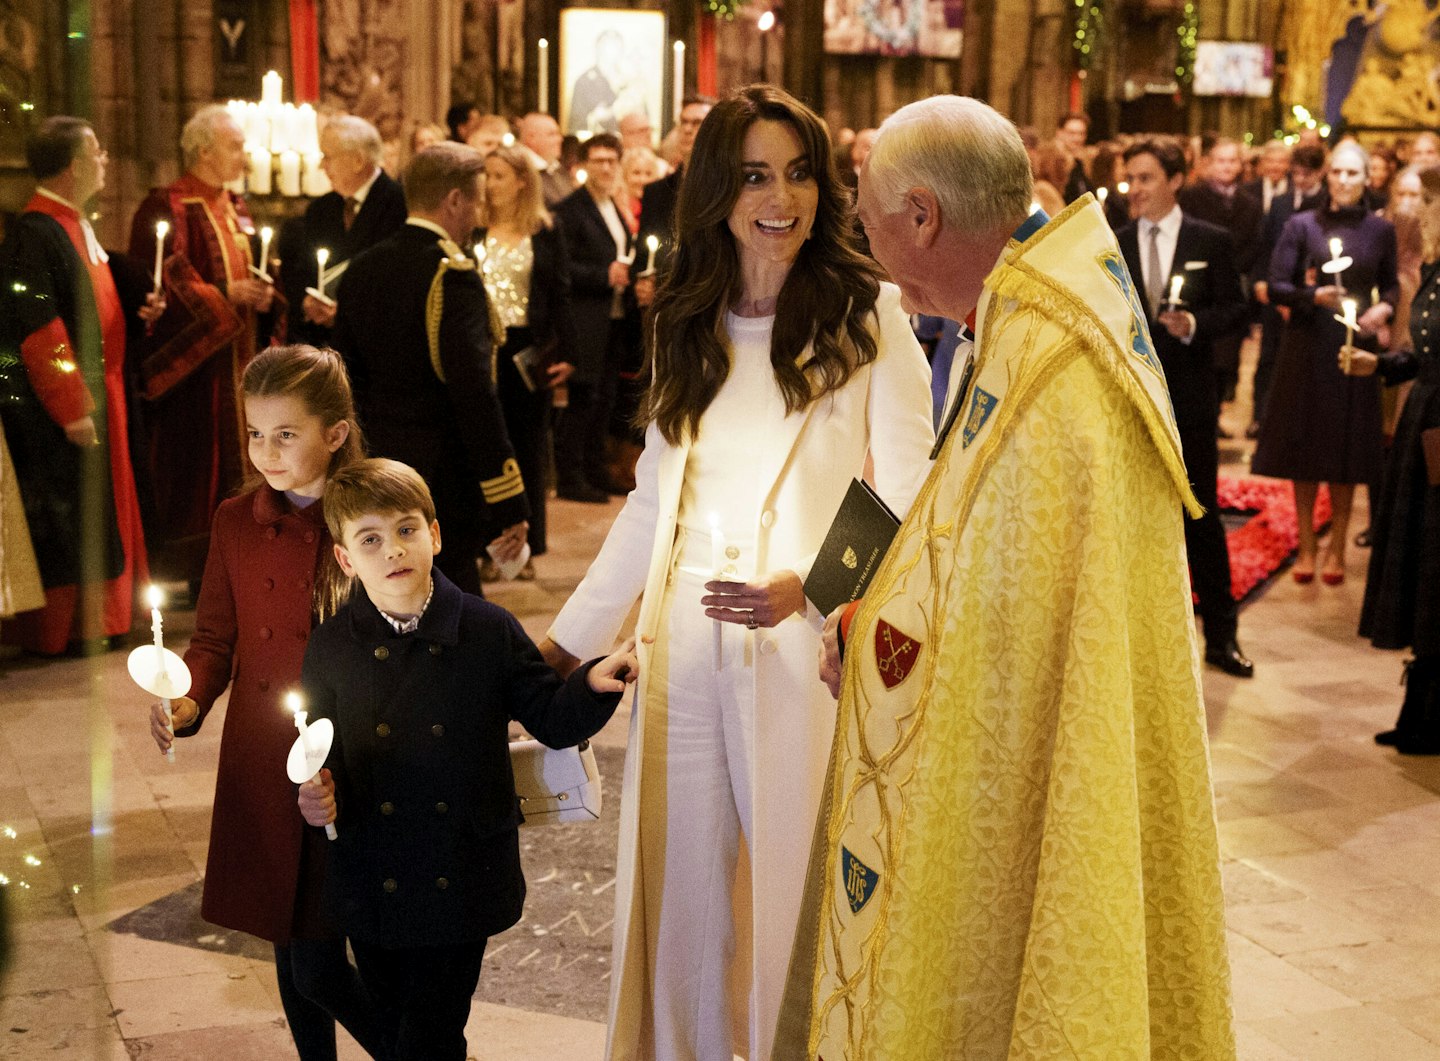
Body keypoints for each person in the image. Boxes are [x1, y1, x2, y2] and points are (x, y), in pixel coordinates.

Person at [778, 95, 1234, 1060]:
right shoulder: (1036, 308)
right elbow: (979, 549)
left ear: (922, 217)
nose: (862, 237)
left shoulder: (1053, 359)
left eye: (866, 215)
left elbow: (1002, 623)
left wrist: (868, 628)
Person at [538, 85, 935, 1061]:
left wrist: (811, 587)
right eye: (756, 172)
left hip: (804, 649)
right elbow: (648, 501)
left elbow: (912, 492)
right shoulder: (689, 316)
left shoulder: (873, 313)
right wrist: (557, 645)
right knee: (686, 897)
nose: (783, 195)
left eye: (801, 171)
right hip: (685, 649)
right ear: (717, 186)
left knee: (797, 893)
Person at [295, 458, 635, 1061]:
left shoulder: (486, 629)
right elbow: (318, 751)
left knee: (432, 1029)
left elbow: (551, 717)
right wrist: (314, 794)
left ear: (436, 534)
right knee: (400, 1020)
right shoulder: (330, 645)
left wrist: (593, 684)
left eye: (406, 530)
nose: (393, 550)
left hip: (461, 868)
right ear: (346, 559)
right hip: (375, 870)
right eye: (370, 539)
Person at [146, 344, 390, 1061]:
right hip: (262, 753)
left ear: (336, 433)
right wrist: (185, 698)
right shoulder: (235, 521)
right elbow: (216, 638)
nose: (265, 451)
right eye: (255, 432)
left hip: (342, 759)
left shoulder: (370, 514)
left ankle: (423, 1051)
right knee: (290, 947)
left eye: (286, 433)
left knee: (322, 958)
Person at [332, 143, 529, 596]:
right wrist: (506, 498)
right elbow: (474, 393)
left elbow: (343, 379)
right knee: (454, 604)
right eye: (477, 200)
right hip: (441, 477)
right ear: (455, 199)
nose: (480, 215)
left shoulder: (363, 267)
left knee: (386, 592)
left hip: (373, 463)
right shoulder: (451, 275)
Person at [0, 117, 156, 654]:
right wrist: (70, 406)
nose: (107, 159)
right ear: (74, 166)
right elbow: (41, 328)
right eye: (98, 151)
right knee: (78, 516)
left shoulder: (71, 223)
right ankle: (72, 628)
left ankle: (106, 619)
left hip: (106, 391)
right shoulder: (37, 231)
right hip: (71, 404)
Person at [1117, 137, 1253, 677]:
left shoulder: (1209, 240)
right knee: (1133, 518)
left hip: (1190, 399)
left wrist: (1194, 325)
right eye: (1131, 178)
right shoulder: (1115, 241)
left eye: (1147, 177)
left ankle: (1221, 638)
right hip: (1131, 398)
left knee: (1200, 515)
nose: (1137, 189)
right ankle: (1138, 641)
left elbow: (1236, 309)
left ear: (1175, 180)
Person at [128, 104, 277, 586]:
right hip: (199, 375)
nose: (244, 154)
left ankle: (241, 563)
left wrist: (264, 292)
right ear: (204, 149)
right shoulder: (168, 205)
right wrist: (224, 295)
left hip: (243, 362)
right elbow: (160, 276)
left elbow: (253, 271)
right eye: (235, 145)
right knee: (198, 469)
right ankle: (198, 570)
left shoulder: (234, 206)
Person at [1254, 140, 1398, 584]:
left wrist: (1385, 310)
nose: (1344, 180)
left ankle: (1336, 545)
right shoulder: (1302, 225)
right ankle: (1307, 544)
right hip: (1308, 341)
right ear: (1328, 175)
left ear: (1367, 178)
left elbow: (1389, 285)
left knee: (1346, 446)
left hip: (1353, 344)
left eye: (1354, 173)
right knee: (1305, 445)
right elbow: (1276, 284)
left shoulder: (1380, 230)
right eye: (1338, 172)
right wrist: (1312, 295)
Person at [1348, 165, 1440, 755]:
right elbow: (1422, 355)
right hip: (1425, 428)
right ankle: (1421, 709)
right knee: (1423, 566)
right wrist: (1378, 366)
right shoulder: (1433, 272)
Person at [475, 144, 578, 573]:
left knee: (527, 448)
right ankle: (486, 545)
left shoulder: (544, 229)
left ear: (521, 181)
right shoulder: (473, 229)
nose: (490, 184)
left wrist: (568, 354)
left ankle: (525, 548)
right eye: (487, 175)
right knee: (484, 447)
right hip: (480, 347)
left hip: (525, 350)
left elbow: (559, 296)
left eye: (499, 175)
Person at [552, 132, 638, 502]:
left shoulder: (613, 205)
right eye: (598, 160)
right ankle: (572, 477)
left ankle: (595, 469)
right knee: (582, 400)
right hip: (586, 318)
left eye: (611, 161)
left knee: (604, 398)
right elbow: (562, 268)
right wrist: (603, 275)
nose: (605, 167)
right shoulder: (570, 209)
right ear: (584, 165)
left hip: (614, 317)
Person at [282, 115, 407, 347]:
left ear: (358, 161)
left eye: (327, 157)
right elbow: (301, 269)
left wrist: (347, 313)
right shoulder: (320, 209)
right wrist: (307, 301)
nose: (321, 166)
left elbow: (399, 283)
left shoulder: (401, 205)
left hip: (373, 345)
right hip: (323, 344)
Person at [1179, 136, 1264, 420]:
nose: (1226, 167)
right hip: (1199, 287)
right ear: (1209, 164)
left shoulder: (1249, 203)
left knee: (1228, 358)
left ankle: (1216, 413)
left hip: (1232, 286)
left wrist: (1233, 270)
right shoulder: (1192, 198)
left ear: (1240, 165)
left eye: (1231, 161)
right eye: (1220, 161)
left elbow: (1254, 243)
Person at [1249, 143, 1327, 438]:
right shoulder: (1281, 203)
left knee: (1304, 359)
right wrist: (1261, 280)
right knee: (1268, 357)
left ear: (1319, 173)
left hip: (1308, 295)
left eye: (1307, 175)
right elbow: (1265, 244)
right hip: (1276, 289)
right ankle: (1261, 416)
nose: (1301, 180)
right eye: (1296, 174)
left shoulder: (1324, 203)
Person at [635, 94, 715, 281]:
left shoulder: (728, 186)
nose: (688, 129)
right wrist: (643, 281)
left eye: (697, 123)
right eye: (683, 122)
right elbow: (643, 256)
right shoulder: (656, 191)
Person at [517, 112, 575, 206]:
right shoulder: (520, 170)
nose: (560, 139)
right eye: (552, 134)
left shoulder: (557, 170)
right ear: (531, 138)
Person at [1056, 110, 1091, 202]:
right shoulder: (1051, 163)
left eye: (1081, 133)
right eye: (1072, 133)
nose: (1077, 138)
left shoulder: (1082, 163)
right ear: (1059, 133)